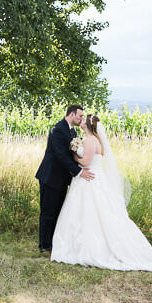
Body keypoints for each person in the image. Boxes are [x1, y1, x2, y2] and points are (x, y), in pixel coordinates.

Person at [51, 113, 152, 273]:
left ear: (90, 126)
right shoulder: (92, 140)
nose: (81, 121)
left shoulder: (91, 140)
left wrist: (74, 153)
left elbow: (86, 162)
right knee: (87, 213)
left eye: (84, 120)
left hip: (90, 180)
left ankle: (85, 247)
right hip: (91, 179)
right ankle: (80, 244)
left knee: (89, 213)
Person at [35, 105, 95, 255]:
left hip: (62, 179)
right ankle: (44, 245)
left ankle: (54, 243)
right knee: (48, 212)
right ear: (72, 114)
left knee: (58, 211)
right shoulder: (58, 130)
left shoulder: (72, 131)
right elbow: (61, 155)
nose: (82, 119)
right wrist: (79, 172)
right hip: (50, 177)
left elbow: (72, 154)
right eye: (80, 116)